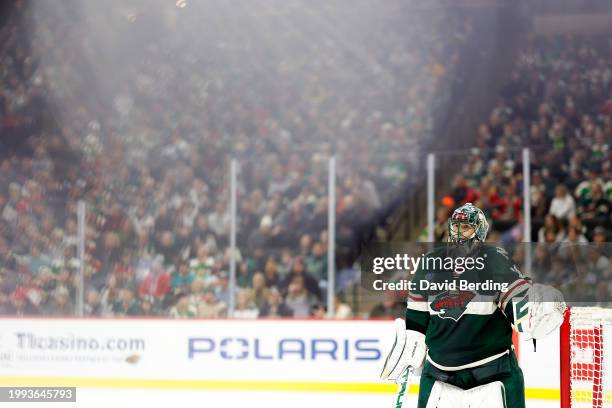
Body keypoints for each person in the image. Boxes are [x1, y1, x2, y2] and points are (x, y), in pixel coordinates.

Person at [380, 203, 565, 408]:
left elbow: (516, 302)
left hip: (493, 372)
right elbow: (417, 320)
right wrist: (411, 344)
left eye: (466, 227)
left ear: (480, 231)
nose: (458, 232)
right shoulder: (429, 263)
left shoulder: (494, 260)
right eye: (455, 226)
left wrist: (531, 311)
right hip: (439, 374)